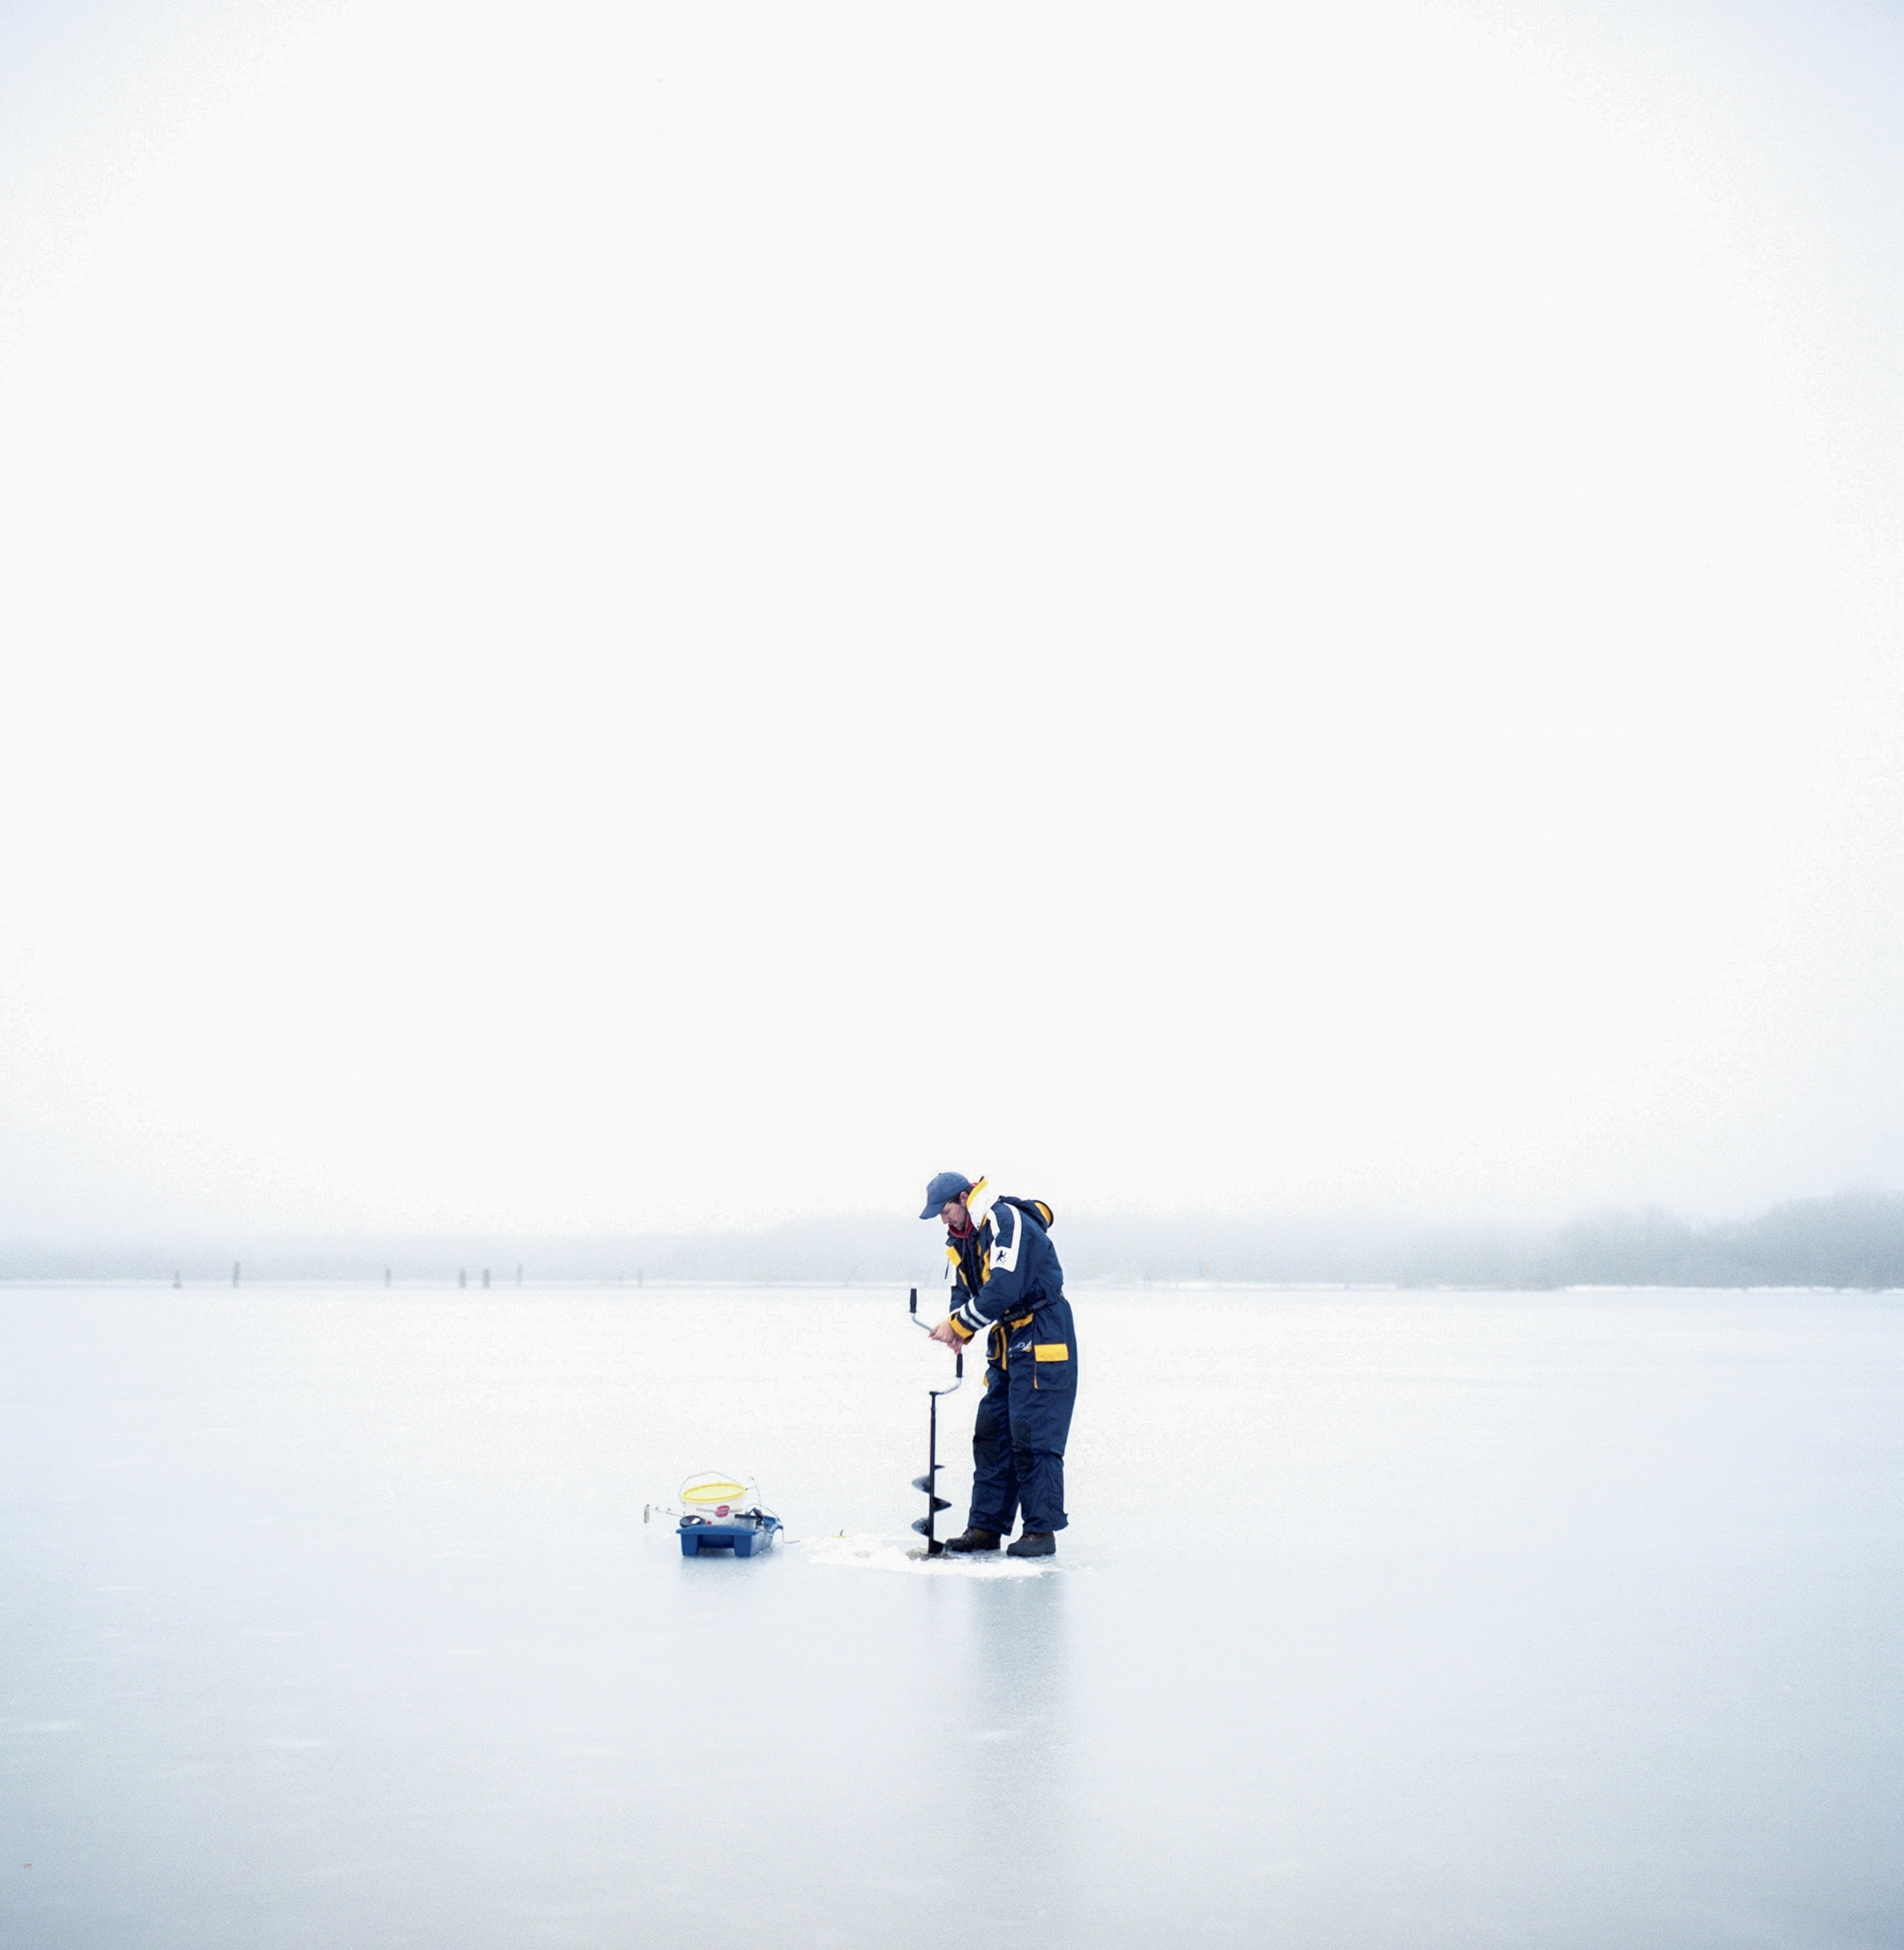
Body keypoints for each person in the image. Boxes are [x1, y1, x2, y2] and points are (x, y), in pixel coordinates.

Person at [919, 1171, 1077, 1558]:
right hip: (1007, 1340)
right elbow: (965, 1289)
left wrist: (958, 1324)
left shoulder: (1006, 1220)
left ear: (963, 1197)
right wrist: (961, 1330)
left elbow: (1004, 1286)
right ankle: (985, 1528)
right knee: (992, 1435)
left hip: (1043, 1334)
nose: (944, 1219)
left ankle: (1041, 1532)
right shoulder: (964, 1240)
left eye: (946, 1210)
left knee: (1033, 1435)